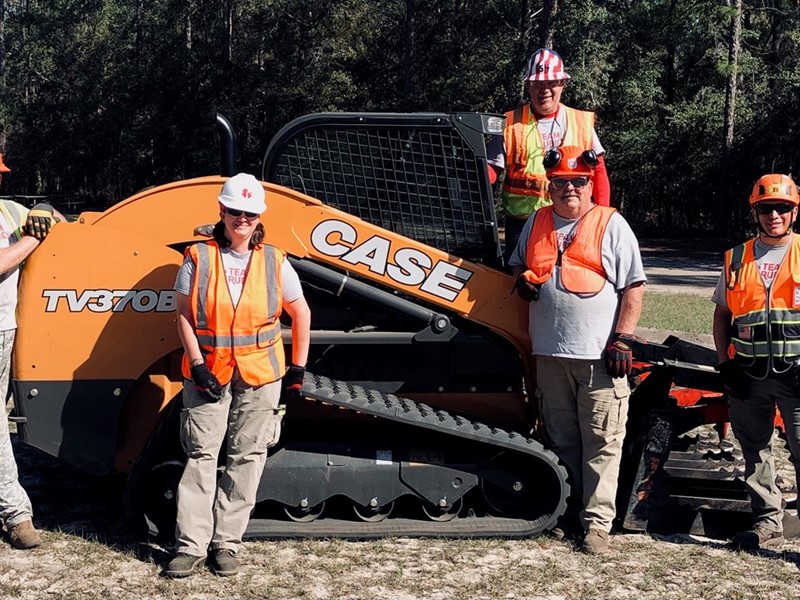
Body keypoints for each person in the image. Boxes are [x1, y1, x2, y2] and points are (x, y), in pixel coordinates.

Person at [166, 173, 311, 577]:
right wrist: (196, 364)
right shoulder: (198, 257)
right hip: (207, 372)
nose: (241, 219)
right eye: (234, 211)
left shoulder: (274, 260)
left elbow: (300, 312)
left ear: (258, 216)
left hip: (260, 374)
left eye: (249, 213)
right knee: (200, 455)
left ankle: (226, 543)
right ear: (222, 212)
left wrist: (297, 368)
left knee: (246, 456)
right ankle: (190, 546)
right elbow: (182, 314)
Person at [508, 146, 645, 554]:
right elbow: (519, 265)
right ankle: (567, 515)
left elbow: (634, 286)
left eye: (578, 182)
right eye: (562, 182)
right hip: (550, 353)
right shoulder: (537, 220)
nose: (570, 188)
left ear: (590, 185)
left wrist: (623, 337)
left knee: (602, 441)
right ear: (550, 186)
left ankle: (597, 526)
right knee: (562, 437)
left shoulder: (611, 224)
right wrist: (522, 280)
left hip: (597, 356)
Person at [712, 173, 800, 551]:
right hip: (747, 375)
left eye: (782, 207)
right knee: (755, 451)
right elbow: (721, 316)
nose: (774, 215)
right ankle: (767, 523)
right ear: (756, 212)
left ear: (794, 211)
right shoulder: (736, 257)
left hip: (796, 374)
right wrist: (724, 364)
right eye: (767, 208)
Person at [488, 48, 611, 268]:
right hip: (523, 226)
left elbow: (599, 171)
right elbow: (490, 173)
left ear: (562, 84)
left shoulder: (581, 122)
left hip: (573, 222)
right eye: (538, 83)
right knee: (520, 290)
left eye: (551, 82)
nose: (545, 89)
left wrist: (602, 219)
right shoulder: (509, 123)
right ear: (528, 86)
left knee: (570, 283)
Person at [0, 152, 62, 549]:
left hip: (6, 327)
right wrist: (32, 238)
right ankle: (16, 512)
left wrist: (44, 210)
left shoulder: (8, 210)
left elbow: (55, 218)